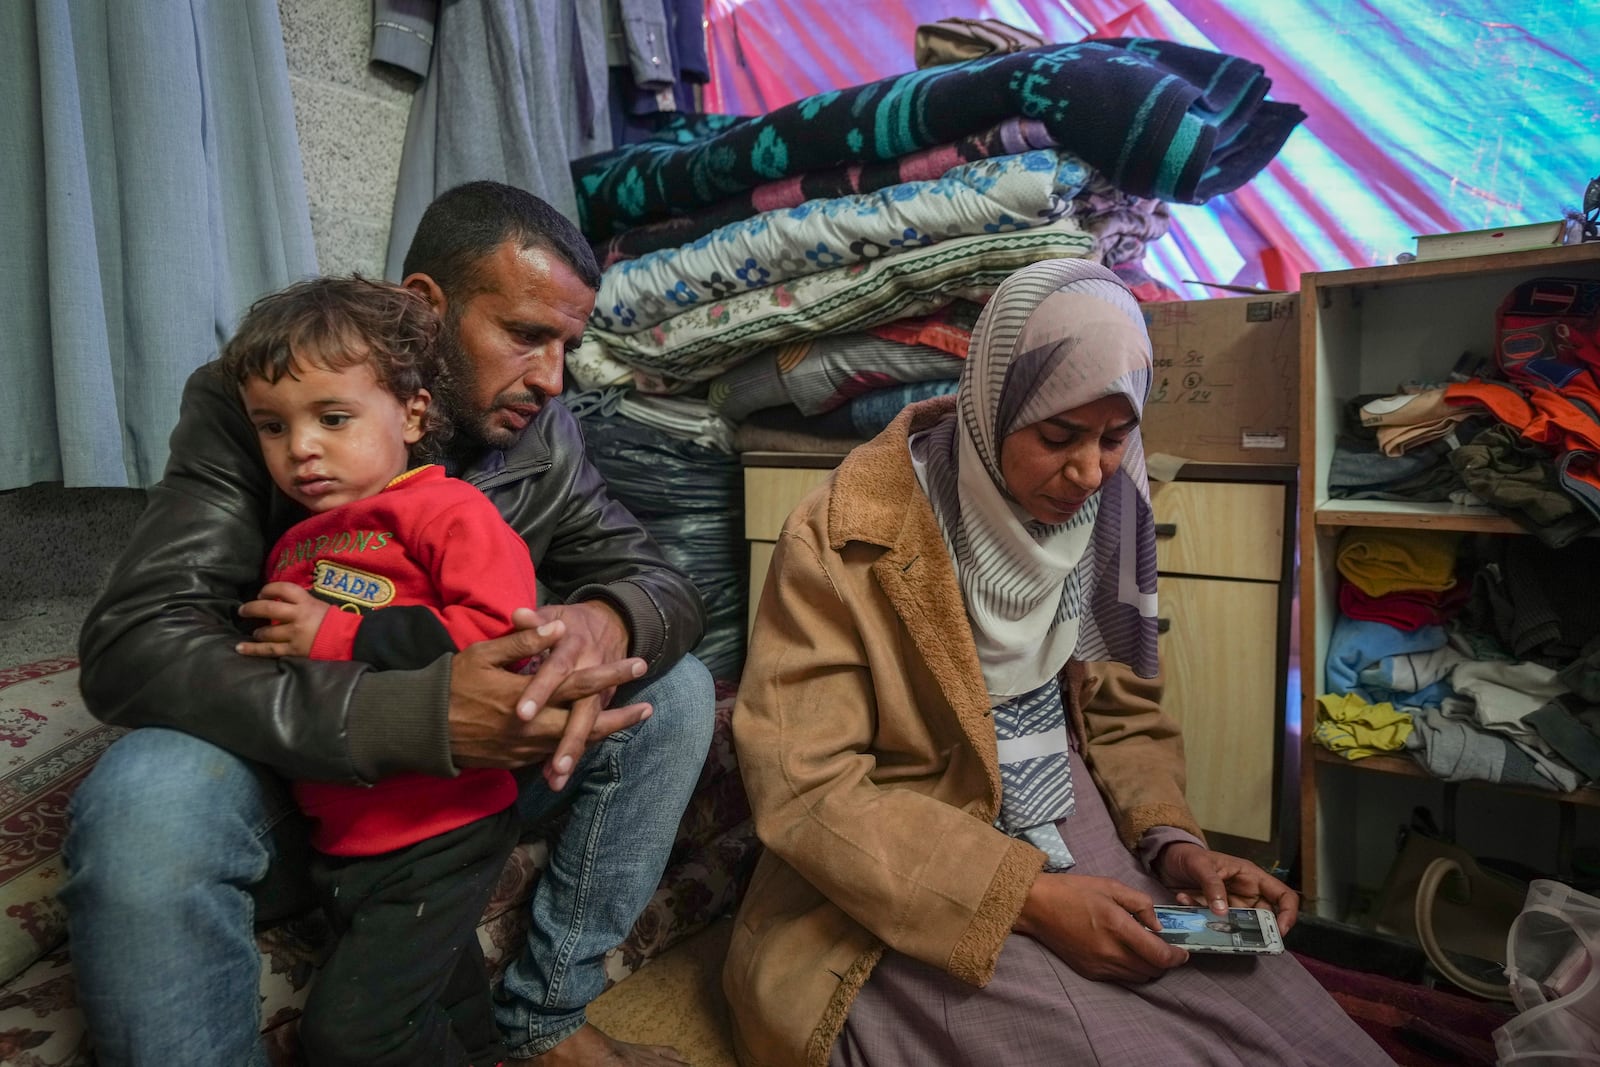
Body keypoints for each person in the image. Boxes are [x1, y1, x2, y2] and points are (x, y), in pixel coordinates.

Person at [64, 182, 714, 1067]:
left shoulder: (541, 433)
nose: (555, 378)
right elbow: (134, 643)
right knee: (147, 798)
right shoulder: (259, 397)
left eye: (568, 344)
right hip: (303, 759)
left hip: (464, 786)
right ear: (425, 305)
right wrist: (416, 713)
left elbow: (656, 579)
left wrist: (605, 615)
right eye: (526, 335)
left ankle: (544, 1018)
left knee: (670, 688)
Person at [725, 259, 1392, 1066]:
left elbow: (1123, 710)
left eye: (1116, 438)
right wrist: (1026, 899)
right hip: (904, 855)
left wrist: (1176, 844)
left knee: (1275, 1014)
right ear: (992, 404)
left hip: (1059, 806)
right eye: (1057, 435)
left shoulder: (1105, 512)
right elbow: (810, 789)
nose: (1089, 471)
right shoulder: (842, 532)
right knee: (1114, 1043)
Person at [220, 275, 535, 1065]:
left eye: (332, 418)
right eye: (272, 425)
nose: (300, 448)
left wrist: (339, 632)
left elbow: (500, 638)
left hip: (437, 824)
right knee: (448, 1004)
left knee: (353, 1036)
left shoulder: (447, 511)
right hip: (345, 831)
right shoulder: (296, 540)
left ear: (414, 413)